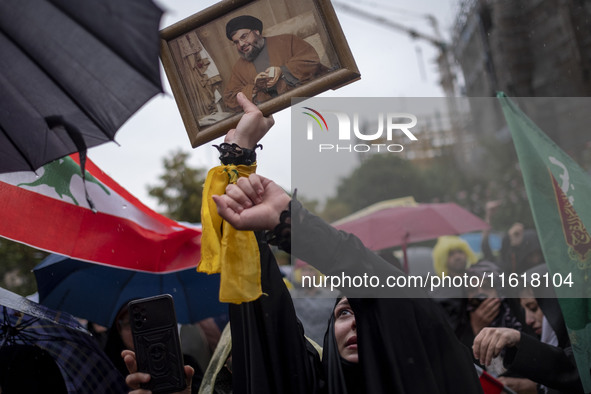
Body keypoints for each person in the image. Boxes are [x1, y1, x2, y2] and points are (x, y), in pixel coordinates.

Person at [124, 93, 483, 393]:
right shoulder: (311, 386)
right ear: (327, 333)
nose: (355, 322)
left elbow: (392, 293)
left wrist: (294, 225)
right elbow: (263, 316)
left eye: (367, 313)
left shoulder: (438, 372)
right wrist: (238, 162)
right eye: (343, 313)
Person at [473, 268, 584, 393]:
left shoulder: (583, 342)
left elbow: (574, 370)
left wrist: (519, 340)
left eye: (533, 307)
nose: (528, 320)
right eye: (523, 310)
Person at [222, 15, 326, 111]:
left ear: (256, 31)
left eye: (244, 37)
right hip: (273, 113)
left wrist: (282, 70)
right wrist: (254, 88)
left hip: (307, 101)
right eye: (236, 42)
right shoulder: (238, 67)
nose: (241, 44)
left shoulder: (286, 40)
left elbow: (311, 59)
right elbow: (229, 98)